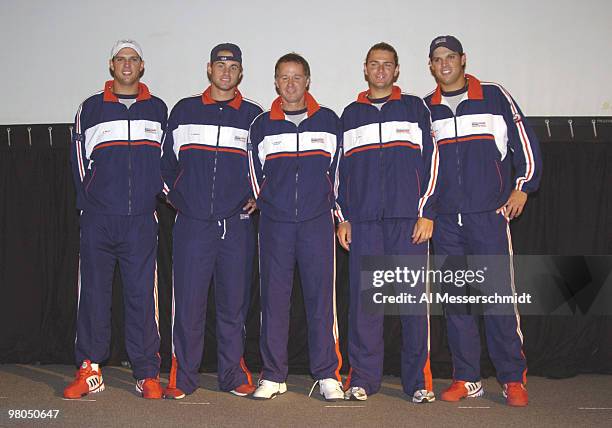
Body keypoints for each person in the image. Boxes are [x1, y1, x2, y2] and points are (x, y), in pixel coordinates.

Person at [424, 35, 542, 407]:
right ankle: (467, 377)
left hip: (487, 218)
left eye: (450, 57)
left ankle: (511, 379)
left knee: (498, 301)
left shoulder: (493, 95)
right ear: (430, 65)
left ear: (463, 59)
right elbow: (422, 166)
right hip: (445, 223)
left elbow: (524, 143)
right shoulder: (427, 109)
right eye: (437, 58)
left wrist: (523, 185)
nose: (444, 63)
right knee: (456, 303)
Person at [336, 42, 438, 403]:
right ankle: (362, 379)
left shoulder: (415, 109)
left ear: (396, 70)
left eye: (387, 65)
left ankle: (419, 383)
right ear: (365, 69)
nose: (380, 70)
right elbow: (339, 172)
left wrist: (427, 211)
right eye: (374, 64)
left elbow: (432, 162)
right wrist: (344, 217)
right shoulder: (349, 114)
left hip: (407, 221)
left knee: (413, 305)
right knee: (367, 307)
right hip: (364, 223)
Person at [65, 40, 167, 399]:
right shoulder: (90, 109)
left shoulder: (158, 110)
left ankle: (146, 373)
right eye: (121, 59)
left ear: (142, 66)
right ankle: (89, 368)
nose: (127, 64)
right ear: (111, 65)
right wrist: (89, 206)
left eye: (134, 59)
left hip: (140, 219)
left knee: (142, 296)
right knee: (93, 294)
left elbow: (165, 163)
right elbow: (78, 164)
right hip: (99, 219)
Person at [160, 43, 262, 399]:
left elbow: (265, 166)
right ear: (209, 69)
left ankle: (232, 374)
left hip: (237, 226)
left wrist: (256, 194)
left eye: (233, 66)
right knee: (188, 304)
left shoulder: (254, 116)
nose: (226, 71)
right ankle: (183, 377)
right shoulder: (184, 110)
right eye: (220, 64)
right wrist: (179, 199)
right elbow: (164, 164)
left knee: (234, 305)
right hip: (193, 225)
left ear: (240, 73)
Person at [247, 53, 344, 401]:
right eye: (283, 77)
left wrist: (337, 214)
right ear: (275, 82)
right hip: (276, 224)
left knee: (321, 300)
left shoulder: (329, 121)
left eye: (297, 77)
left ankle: (327, 375)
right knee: (274, 301)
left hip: (317, 223)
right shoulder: (261, 125)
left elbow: (339, 174)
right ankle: (273, 375)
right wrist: (269, 202)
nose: (290, 84)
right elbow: (253, 174)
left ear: (307, 80)